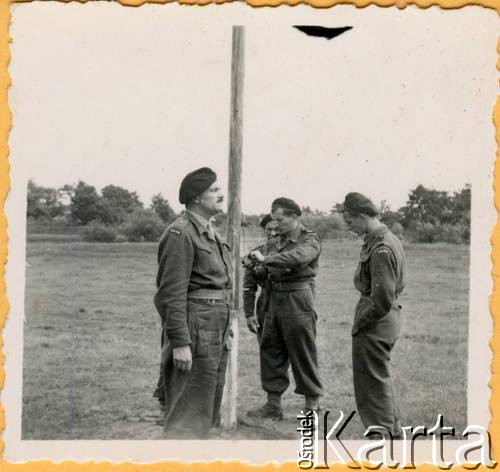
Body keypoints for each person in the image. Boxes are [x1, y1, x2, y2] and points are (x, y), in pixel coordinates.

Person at [153, 167, 232, 438]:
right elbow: (170, 294)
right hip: (195, 329)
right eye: (214, 190)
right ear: (196, 198)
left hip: (213, 328)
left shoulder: (209, 232)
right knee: (186, 416)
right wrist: (180, 343)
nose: (221, 194)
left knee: (205, 410)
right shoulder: (181, 233)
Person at [247, 197, 323, 420]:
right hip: (273, 298)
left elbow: (298, 258)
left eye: (280, 219)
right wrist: (255, 266)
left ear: (294, 216)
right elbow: (265, 271)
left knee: (302, 350)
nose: (276, 224)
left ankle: (311, 406)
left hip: (297, 298)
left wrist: (266, 259)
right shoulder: (274, 241)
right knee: (270, 349)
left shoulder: (309, 238)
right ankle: (273, 405)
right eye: (274, 220)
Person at [340, 192, 406, 439]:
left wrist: (361, 323)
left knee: (371, 383)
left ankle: (382, 438)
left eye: (350, 221)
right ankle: (392, 432)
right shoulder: (385, 239)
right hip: (383, 317)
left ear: (362, 216)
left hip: (376, 319)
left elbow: (381, 299)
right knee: (377, 378)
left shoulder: (381, 247)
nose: (349, 227)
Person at [243, 214, 278, 340]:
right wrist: (249, 314)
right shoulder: (255, 254)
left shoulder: (292, 252)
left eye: (277, 229)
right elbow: (248, 287)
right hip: (265, 304)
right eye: (269, 229)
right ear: (264, 230)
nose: (273, 233)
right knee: (268, 348)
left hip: (289, 303)